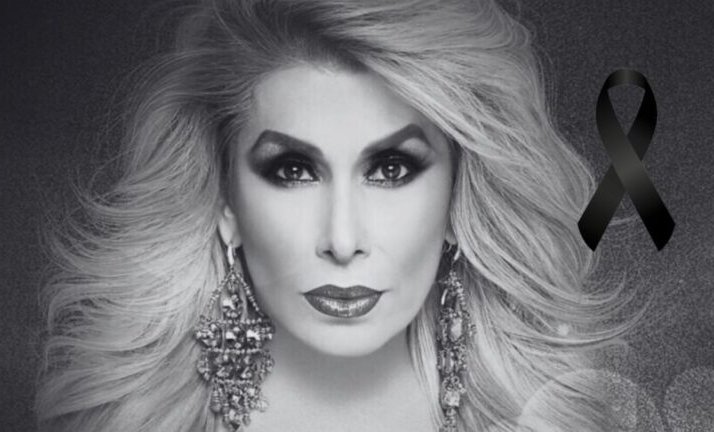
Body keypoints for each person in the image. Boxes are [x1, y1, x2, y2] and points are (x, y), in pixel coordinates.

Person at [34, 1, 636, 431]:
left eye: (391, 169)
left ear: (459, 198)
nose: (342, 241)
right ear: (224, 202)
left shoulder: (546, 416)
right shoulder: (131, 420)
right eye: (293, 170)